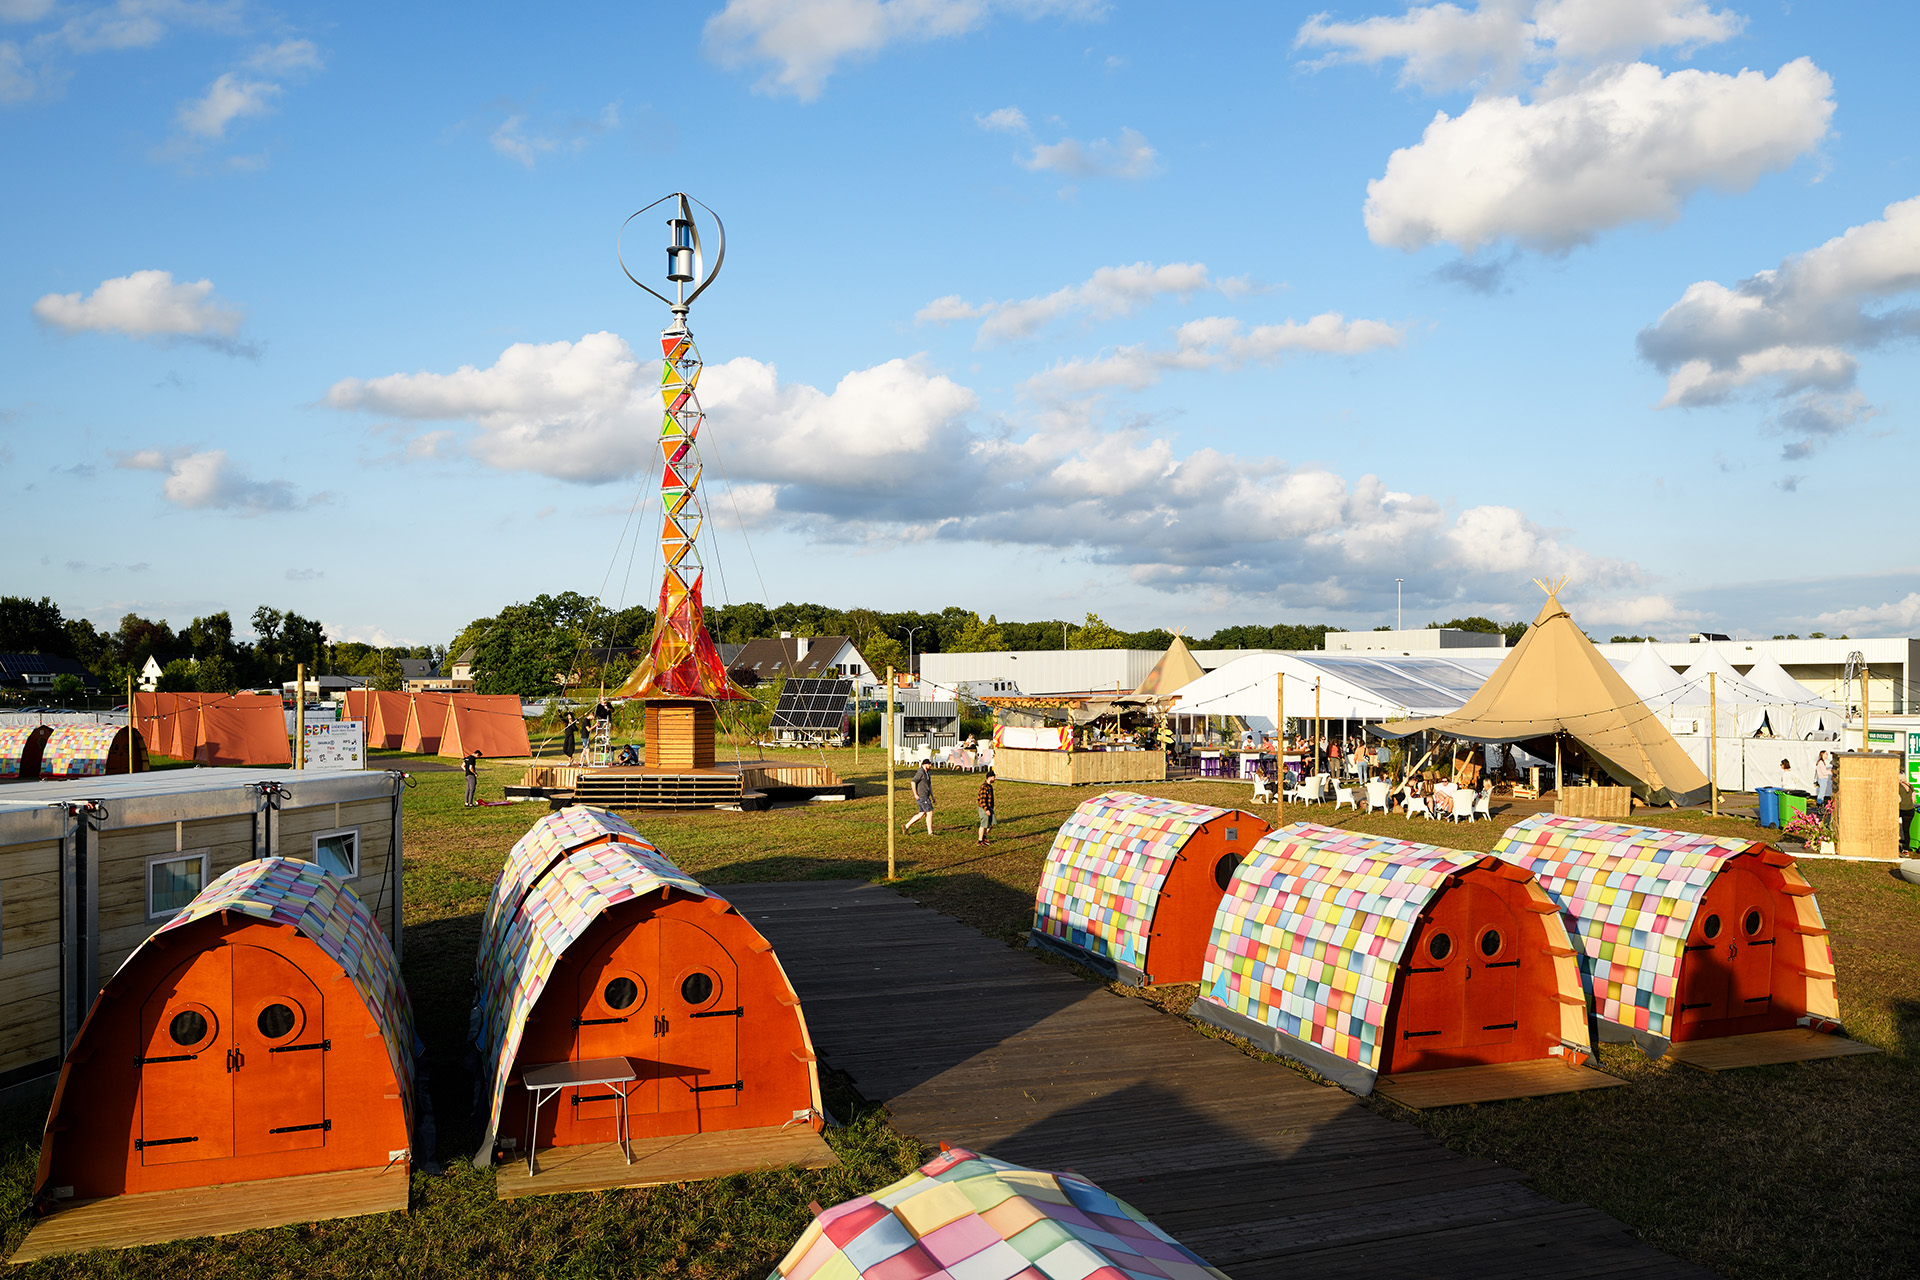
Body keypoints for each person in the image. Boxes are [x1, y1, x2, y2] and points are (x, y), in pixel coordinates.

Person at [904, 759, 936, 835]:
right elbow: (913, 782)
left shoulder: (927, 773)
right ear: (925, 764)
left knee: (921, 814)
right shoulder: (920, 772)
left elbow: (929, 785)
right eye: (929, 764)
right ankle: (930, 832)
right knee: (930, 812)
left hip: (926, 795)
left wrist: (932, 796)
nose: (930, 766)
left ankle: (906, 826)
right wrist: (915, 794)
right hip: (922, 796)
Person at [976, 768, 996, 844]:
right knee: (983, 824)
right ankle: (980, 840)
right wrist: (986, 809)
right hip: (984, 808)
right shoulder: (984, 787)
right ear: (989, 777)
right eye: (994, 777)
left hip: (990, 808)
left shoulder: (990, 786)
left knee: (992, 823)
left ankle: (984, 837)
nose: (995, 779)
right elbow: (982, 799)